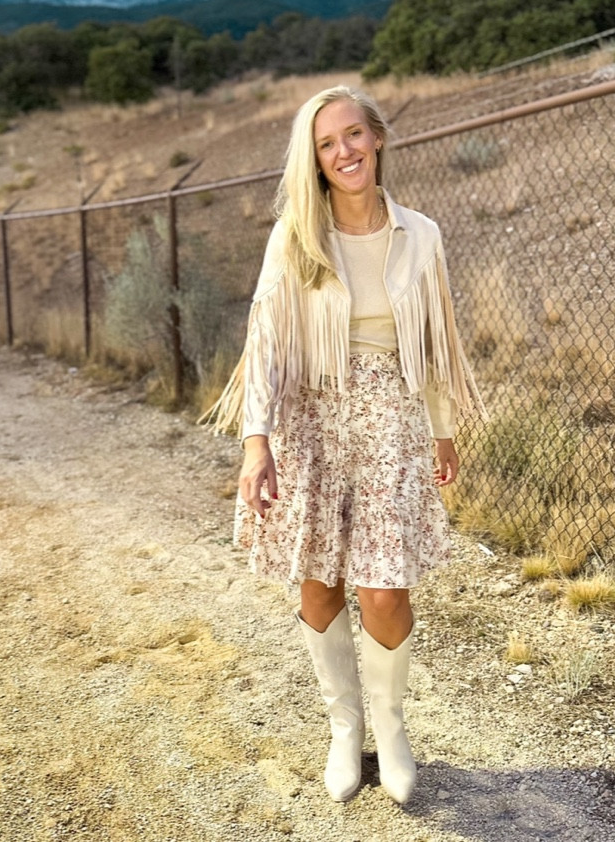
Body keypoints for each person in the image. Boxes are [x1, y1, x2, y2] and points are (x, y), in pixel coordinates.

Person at [209, 85, 481, 805]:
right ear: (316, 158)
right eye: (328, 144)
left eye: (353, 135)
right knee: (318, 577)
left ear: (378, 137)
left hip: (392, 418)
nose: (344, 152)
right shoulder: (296, 235)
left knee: (385, 586)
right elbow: (265, 343)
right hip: (311, 419)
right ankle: (343, 728)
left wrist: (442, 427)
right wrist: (255, 441)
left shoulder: (420, 233)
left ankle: (390, 729)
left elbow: (436, 339)